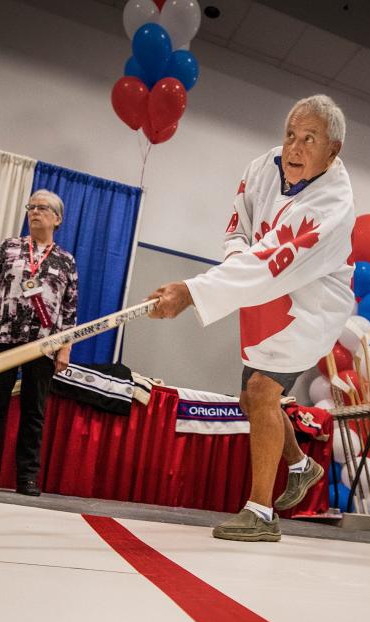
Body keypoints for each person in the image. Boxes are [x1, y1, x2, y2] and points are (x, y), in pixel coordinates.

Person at [148, 94, 355, 542]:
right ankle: (301, 466)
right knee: (249, 398)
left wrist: (194, 291)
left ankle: (260, 513)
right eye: (290, 135)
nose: (295, 148)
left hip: (311, 305)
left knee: (262, 392)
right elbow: (239, 232)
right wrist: (233, 271)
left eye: (309, 140)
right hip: (260, 289)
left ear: (332, 150)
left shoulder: (332, 206)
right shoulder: (261, 168)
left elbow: (272, 263)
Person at [0, 189, 79, 496]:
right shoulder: (9, 248)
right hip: (2, 336)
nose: (34, 212)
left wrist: (65, 348)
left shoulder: (66, 261)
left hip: (42, 345)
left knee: (33, 413)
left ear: (57, 218)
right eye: (31, 207)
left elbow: (69, 310)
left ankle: (27, 477)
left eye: (41, 208)